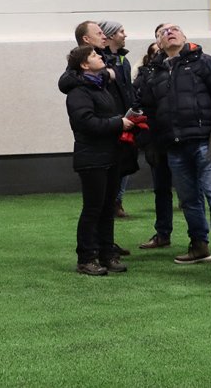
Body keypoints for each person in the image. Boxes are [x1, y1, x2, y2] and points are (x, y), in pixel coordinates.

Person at [138, 23, 211, 270]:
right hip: (174, 146)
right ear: (158, 43)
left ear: (184, 36)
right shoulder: (153, 73)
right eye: (163, 32)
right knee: (189, 200)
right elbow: (149, 109)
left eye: (174, 29)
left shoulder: (204, 62)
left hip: (206, 142)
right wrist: (153, 142)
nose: (169, 33)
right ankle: (199, 245)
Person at [63, 45, 140, 276]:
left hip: (109, 154)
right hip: (92, 157)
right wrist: (118, 123)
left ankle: (107, 254)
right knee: (93, 209)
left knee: (107, 208)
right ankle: (86, 258)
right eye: (94, 55)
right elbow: (85, 122)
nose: (100, 56)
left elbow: (102, 118)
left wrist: (122, 121)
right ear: (84, 64)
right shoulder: (79, 92)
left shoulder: (100, 87)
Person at [133, 40, 174, 251]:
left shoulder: (186, 68)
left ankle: (200, 240)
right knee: (161, 189)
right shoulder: (144, 76)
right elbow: (137, 104)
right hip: (156, 139)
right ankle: (163, 233)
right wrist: (146, 139)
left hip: (182, 137)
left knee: (194, 192)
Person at [98, 21, 135, 219]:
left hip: (126, 118)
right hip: (109, 120)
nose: (125, 35)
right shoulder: (99, 61)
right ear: (111, 35)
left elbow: (128, 89)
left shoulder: (123, 61)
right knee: (112, 162)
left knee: (125, 160)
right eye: (121, 31)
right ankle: (109, 201)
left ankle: (117, 200)